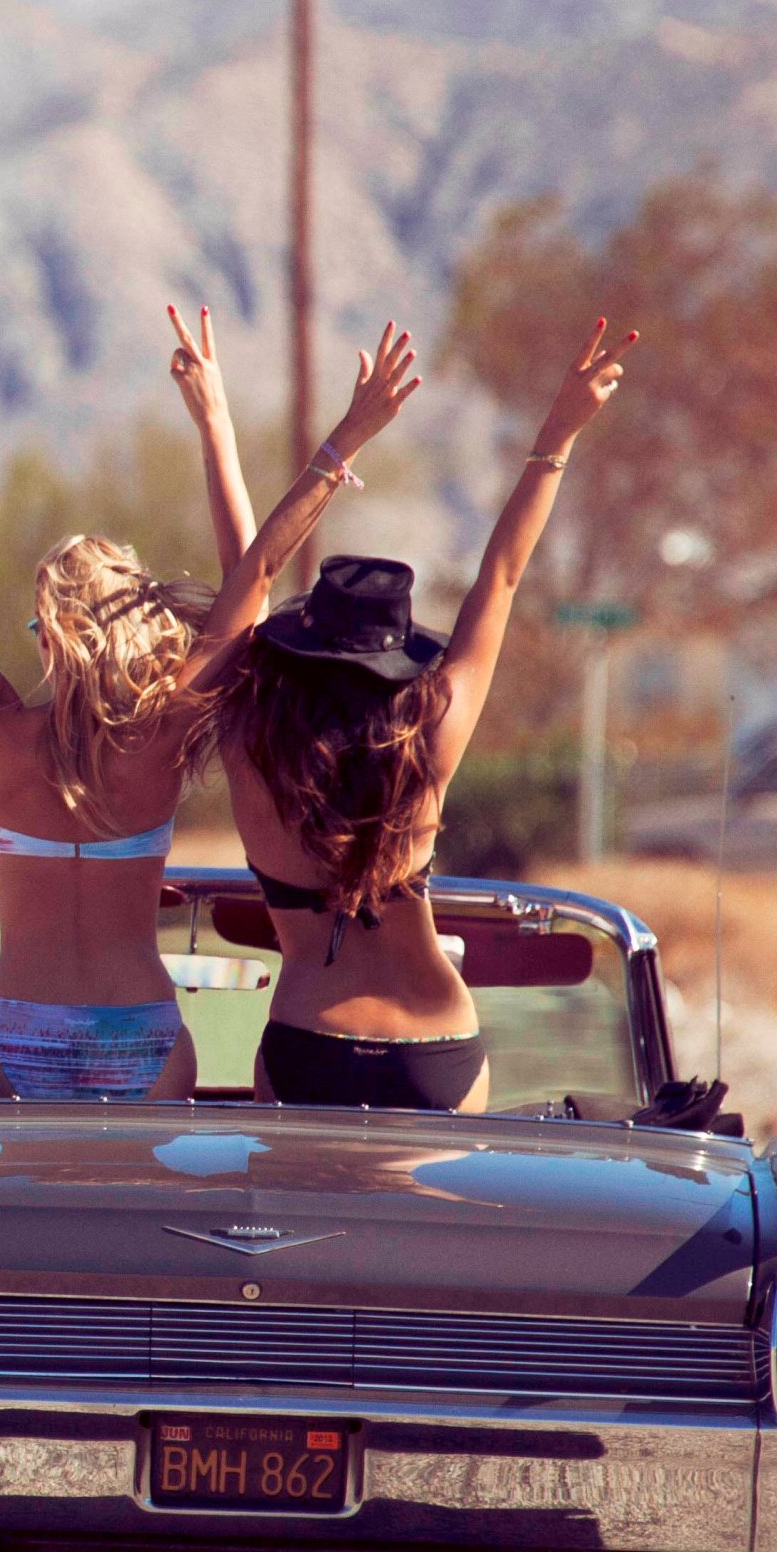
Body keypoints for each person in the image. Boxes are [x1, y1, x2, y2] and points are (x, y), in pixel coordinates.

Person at [0, 308, 420, 1101]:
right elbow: (258, 572)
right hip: (144, 1043)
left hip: (15, 1042)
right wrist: (310, 436)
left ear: (51, 640)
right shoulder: (165, 731)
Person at [218, 317, 637, 1112]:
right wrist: (559, 434)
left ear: (297, 648)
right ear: (396, 660)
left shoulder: (251, 746)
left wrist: (331, 438)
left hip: (310, 1035)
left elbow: (252, 575)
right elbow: (501, 576)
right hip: (437, 1046)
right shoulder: (430, 737)